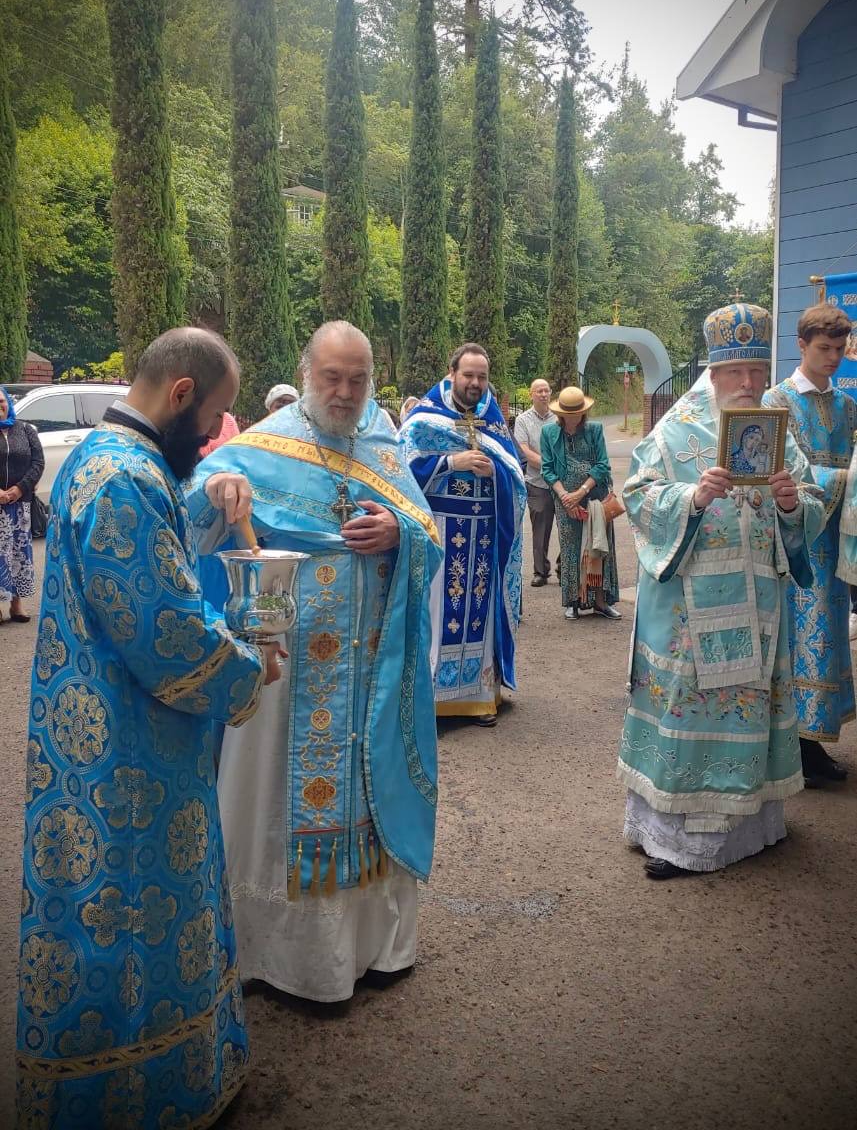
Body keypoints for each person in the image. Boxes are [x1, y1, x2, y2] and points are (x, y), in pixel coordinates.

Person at [16, 329, 281, 1127]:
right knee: (132, 917)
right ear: (180, 394)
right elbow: (164, 627)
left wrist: (214, 495)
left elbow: (155, 555)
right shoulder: (125, 479)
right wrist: (247, 667)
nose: (211, 436)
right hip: (128, 753)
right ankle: (138, 1098)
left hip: (94, 731)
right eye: (212, 418)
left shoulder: (104, 457)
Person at [185, 321, 442, 1003]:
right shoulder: (260, 446)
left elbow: (426, 530)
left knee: (367, 787)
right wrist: (216, 490)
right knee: (272, 796)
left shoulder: (382, 443)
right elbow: (187, 517)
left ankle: (373, 948)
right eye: (332, 377)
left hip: (372, 669)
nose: (345, 392)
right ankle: (275, 958)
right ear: (306, 374)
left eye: (358, 379)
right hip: (289, 666)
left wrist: (399, 532)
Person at [618, 303, 823, 879]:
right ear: (714, 372)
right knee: (690, 706)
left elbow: (810, 500)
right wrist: (691, 497)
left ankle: (751, 826)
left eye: (757, 370)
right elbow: (637, 495)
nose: (749, 382)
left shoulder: (776, 430)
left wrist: (792, 505)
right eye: (737, 371)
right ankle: (681, 838)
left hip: (758, 604)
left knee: (749, 709)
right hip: (690, 607)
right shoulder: (676, 430)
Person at [400, 343, 526, 726]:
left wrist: (495, 473)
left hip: (483, 534)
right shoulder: (425, 418)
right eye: (468, 375)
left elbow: (515, 478)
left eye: (482, 377)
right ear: (452, 373)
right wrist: (450, 461)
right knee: (438, 614)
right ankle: (433, 702)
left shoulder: (493, 420)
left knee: (481, 616)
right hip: (441, 531)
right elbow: (399, 472)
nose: (475, 383)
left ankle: (480, 698)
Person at [765, 303, 856, 784]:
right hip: (797, 542)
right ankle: (797, 745)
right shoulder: (776, 401)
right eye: (824, 348)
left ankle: (814, 740)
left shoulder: (846, 406)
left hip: (836, 541)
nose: (834, 358)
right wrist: (846, 478)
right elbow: (780, 471)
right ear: (801, 345)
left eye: (840, 349)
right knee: (797, 639)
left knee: (828, 635)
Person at [540, 386, 621, 621]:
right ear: (560, 413)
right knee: (571, 548)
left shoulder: (594, 429)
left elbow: (602, 465)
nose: (574, 417)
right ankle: (573, 600)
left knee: (598, 546)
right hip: (565, 500)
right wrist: (567, 498)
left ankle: (600, 601)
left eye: (577, 412)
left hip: (595, 496)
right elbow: (547, 469)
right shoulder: (549, 433)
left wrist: (581, 491)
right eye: (569, 413)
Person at [0, 385, 44, 623]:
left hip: (20, 504)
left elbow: (38, 462)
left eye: (1, 401)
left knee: (19, 553)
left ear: (8, 403)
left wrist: (20, 488)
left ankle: (16, 605)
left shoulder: (26, 430)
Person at [514, 378, 557, 587]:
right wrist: (550, 465)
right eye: (539, 391)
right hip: (537, 482)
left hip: (562, 482)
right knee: (540, 529)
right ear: (531, 394)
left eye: (546, 390)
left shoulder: (558, 417)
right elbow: (524, 451)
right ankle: (541, 571)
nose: (543, 394)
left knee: (568, 528)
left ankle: (565, 567)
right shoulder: (522, 420)